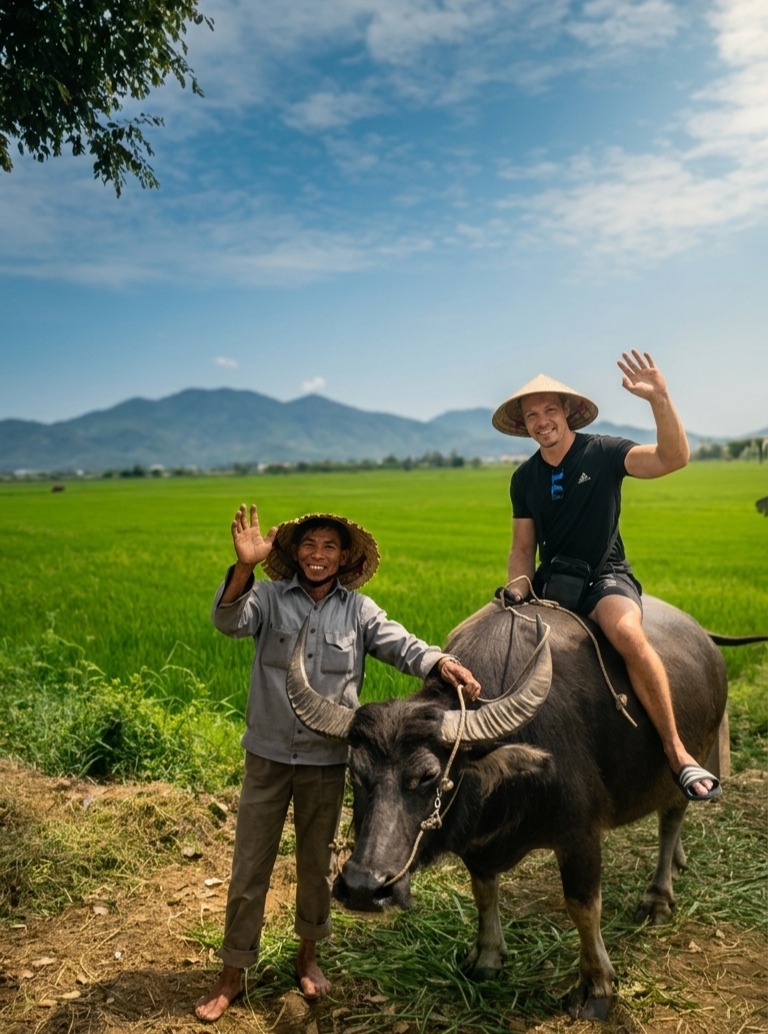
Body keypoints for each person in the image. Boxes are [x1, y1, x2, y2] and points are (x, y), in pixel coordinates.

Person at [195, 504, 481, 1022]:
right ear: (294, 553)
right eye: (309, 544)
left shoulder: (360, 612)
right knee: (249, 865)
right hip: (268, 755)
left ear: (345, 557)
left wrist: (441, 660)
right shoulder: (267, 598)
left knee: (316, 865)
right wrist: (243, 568)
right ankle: (232, 973)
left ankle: (308, 958)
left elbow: (402, 644)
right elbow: (227, 620)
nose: (318, 554)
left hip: (328, 761)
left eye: (330, 546)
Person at [491, 350, 721, 803]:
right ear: (523, 424)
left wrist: (659, 399)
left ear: (567, 412)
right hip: (551, 583)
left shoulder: (603, 452)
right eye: (532, 415)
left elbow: (673, 458)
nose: (542, 421)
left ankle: (677, 752)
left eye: (549, 410)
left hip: (603, 578)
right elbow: (521, 549)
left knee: (627, 633)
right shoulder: (524, 478)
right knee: (498, 641)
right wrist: (518, 589)